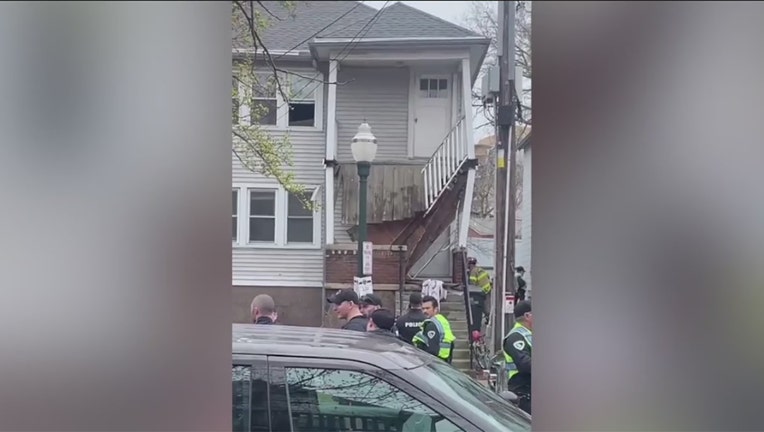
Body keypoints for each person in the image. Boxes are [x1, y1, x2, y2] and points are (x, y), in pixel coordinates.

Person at [502, 301, 533, 415]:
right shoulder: (515, 337)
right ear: (527, 316)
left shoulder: (529, 335)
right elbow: (524, 363)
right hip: (523, 392)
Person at [412, 296, 455, 363]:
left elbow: (432, 351)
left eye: (427, 308)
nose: (424, 311)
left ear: (435, 309)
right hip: (445, 362)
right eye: (423, 309)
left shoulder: (431, 325)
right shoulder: (442, 320)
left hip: (435, 364)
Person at [467, 257, 492, 331]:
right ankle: (488, 318)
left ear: (470, 265)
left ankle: (489, 320)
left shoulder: (473, 271)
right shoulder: (479, 269)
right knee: (485, 307)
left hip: (481, 292)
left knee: (484, 308)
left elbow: (472, 283)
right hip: (487, 290)